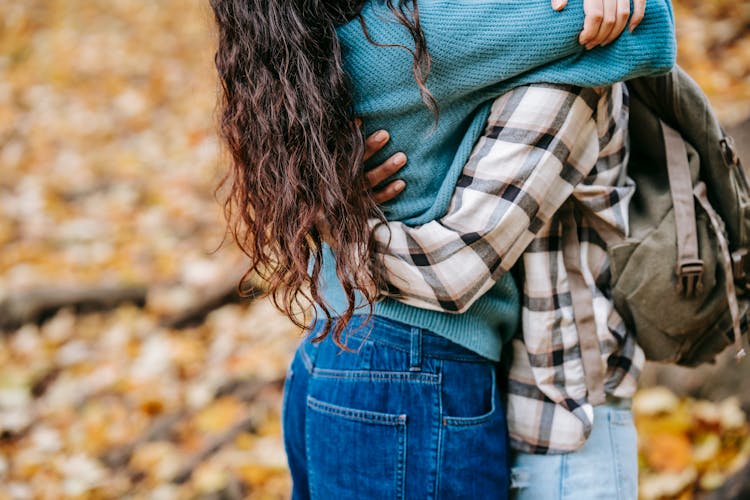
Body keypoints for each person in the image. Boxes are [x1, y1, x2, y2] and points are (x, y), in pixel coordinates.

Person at [208, 0, 675, 498]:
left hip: (334, 353)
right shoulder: (424, 31)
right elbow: (649, 25)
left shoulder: (302, 44)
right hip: (414, 374)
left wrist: (329, 224)